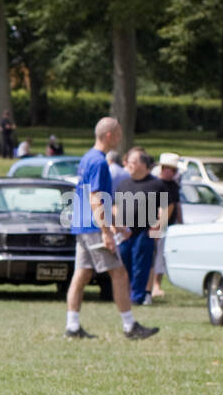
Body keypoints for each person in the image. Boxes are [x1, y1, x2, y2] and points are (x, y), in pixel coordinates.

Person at [63, 116, 159, 340]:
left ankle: (72, 327)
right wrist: (107, 232)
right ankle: (130, 326)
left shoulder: (88, 158)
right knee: (119, 273)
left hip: (83, 225)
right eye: (118, 133)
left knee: (82, 274)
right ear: (109, 135)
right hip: (94, 227)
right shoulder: (98, 162)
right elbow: (96, 198)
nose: (121, 137)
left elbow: (95, 199)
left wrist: (116, 224)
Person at [113, 147, 171, 307]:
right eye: (128, 162)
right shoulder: (123, 184)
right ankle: (127, 293)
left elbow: (164, 209)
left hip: (145, 231)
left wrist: (158, 227)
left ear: (143, 165)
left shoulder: (156, 184)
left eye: (132, 162)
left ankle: (137, 297)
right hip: (125, 233)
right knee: (124, 263)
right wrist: (117, 225)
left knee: (141, 264)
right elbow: (115, 206)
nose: (128, 165)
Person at [148, 152, 182, 299]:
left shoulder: (174, 185)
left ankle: (157, 284)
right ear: (164, 168)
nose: (174, 173)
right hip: (155, 225)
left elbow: (176, 204)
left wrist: (181, 221)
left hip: (170, 225)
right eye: (172, 170)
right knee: (153, 254)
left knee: (162, 255)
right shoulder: (154, 184)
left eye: (175, 170)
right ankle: (150, 285)